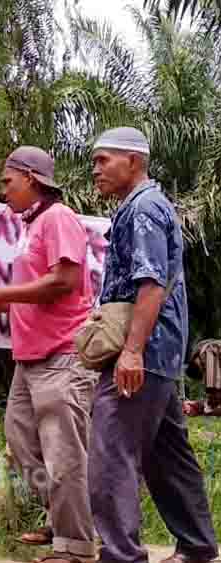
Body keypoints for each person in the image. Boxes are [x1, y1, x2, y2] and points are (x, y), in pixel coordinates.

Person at [88, 127, 218, 563]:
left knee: (111, 455)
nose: (95, 170)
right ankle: (197, 546)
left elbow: (151, 284)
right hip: (159, 353)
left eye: (103, 160)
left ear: (133, 161)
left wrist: (131, 351)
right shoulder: (146, 205)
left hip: (143, 351)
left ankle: (122, 556)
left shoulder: (144, 207)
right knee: (168, 456)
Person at [0, 147, 98, 563]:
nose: (3, 190)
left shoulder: (58, 218)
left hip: (63, 354)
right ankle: (63, 518)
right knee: (21, 439)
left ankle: (75, 547)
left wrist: (0, 294)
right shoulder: (33, 224)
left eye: (8, 181)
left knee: (63, 453)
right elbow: (38, 289)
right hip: (31, 358)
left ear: (30, 178)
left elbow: (64, 281)